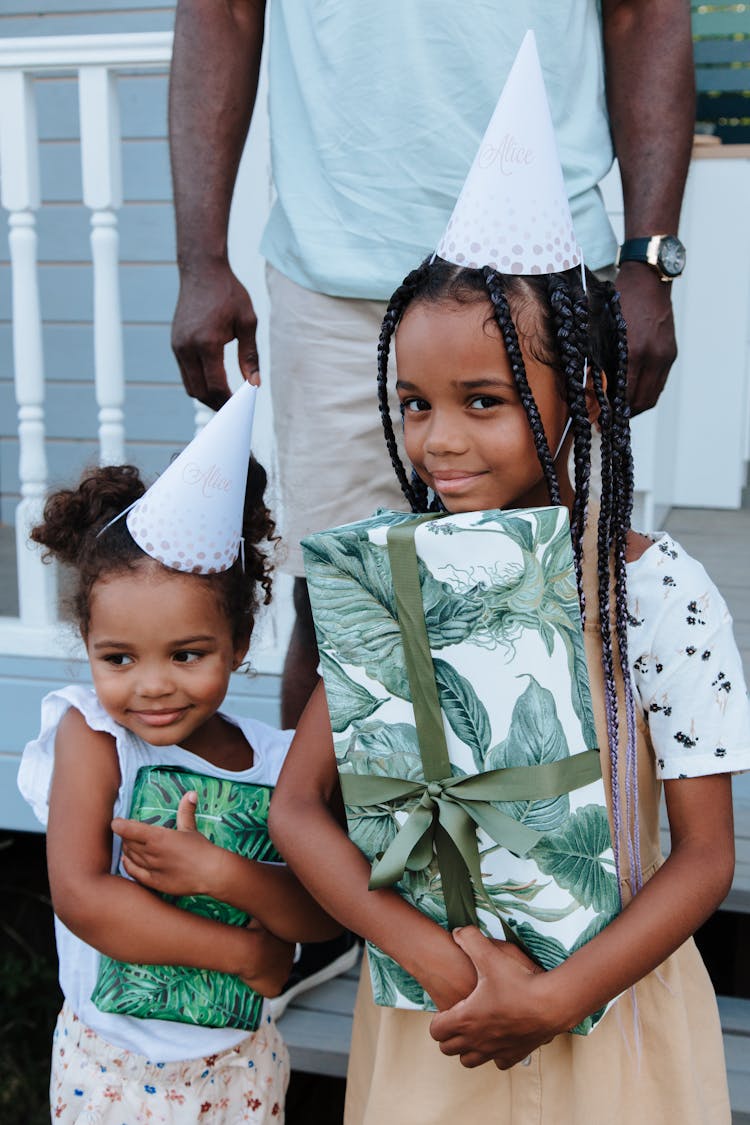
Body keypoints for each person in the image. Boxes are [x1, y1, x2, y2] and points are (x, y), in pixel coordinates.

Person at [269, 253, 750, 1123]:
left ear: (590, 396)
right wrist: (452, 967)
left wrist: (554, 999)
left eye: (482, 400)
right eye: (416, 403)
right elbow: (298, 806)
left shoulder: (652, 590)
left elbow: (707, 854)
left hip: (614, 1012)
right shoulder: (390, 584)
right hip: (440, 1020)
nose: (438, 440)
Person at [168, 0, 695, 730]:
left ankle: (564, 841)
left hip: (545, 266)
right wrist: (199, 258)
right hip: (339, 270)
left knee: (568, 600)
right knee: (340, 610)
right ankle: (324, 840)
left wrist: (649, 258)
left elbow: (647, 12)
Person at [17, 457, 339, 1124]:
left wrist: (223, 872)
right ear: (88, 644)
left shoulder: (277, 760)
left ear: (240, 641)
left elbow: (323, 911)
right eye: (119, 657)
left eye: (186, 653)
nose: (153, 685)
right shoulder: (95, 734)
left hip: (243, 1065)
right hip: (114, 1075)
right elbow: (84, 896)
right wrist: (247, 950)